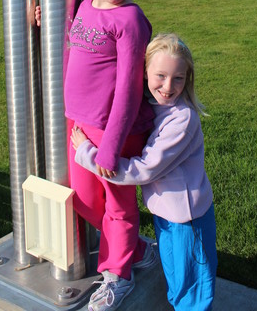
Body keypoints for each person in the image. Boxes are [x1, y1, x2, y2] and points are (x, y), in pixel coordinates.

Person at [72, 33, 217, 311]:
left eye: (178, 78)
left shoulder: (182, 120)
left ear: (188, 79)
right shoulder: (153, 107)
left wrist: (87, 154)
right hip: (167, 214)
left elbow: (143, 170)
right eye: (160, 76)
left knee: (193, 291)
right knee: (178, 282)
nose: (167, 86)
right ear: (145, 73)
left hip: (188, 220)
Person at [53, 0, 156, 311]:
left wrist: (111, 147)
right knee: (81, 201)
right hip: (80, 125)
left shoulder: (130, 19)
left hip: (118, 130)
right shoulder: (85, 4)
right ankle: (137, 248)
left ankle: (118, 276)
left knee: (119, 206)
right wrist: (44, 20)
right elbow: (73, 38)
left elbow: (130, 87)